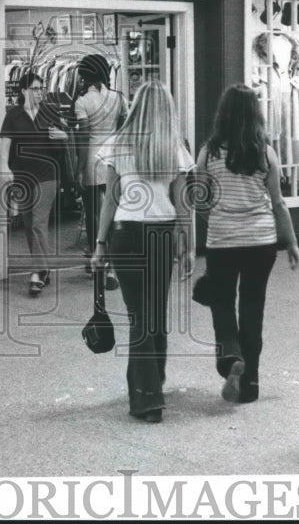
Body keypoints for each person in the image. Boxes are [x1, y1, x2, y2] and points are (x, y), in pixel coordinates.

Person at [90, 80, 195, 423]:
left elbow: (110, 200)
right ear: (168, 109)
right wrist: (188, 244)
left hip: (125, 234)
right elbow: (183, 204)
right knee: (155, 315)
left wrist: (100, 245)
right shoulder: (174, 146)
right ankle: (151, 390)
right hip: (161, 235)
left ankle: (147, 394)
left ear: (135, 106)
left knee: (139, 316)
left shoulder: (118, 144)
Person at [196, 84, 299, 404]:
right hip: (261, 242)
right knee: (253, 308)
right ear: (255, 114)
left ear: (223, 114)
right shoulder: (265, 152)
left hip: (223, 241)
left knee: (222, 302)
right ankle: (250, 385)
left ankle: (230, 354)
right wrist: (292, 242)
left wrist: (214, 219)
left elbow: (200, 201)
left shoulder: (209, 153)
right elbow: (279, 203)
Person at [0, 72, 68, 296]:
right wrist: (4, 167)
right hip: (23, 175)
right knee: (29, 224)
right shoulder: (13, 115)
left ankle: (36, 273)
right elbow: (5, 145)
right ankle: (44, 267)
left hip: (48, 174)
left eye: (41, 88)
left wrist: (63, 136)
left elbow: (64, 140)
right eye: (35, 88)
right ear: (23, 91)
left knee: (38, 222)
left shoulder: (51, 112)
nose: (39, 92)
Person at [74, 53, 126, 292]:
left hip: (93, 161)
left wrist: (79, 167)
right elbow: (123, 130)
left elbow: (83, 137)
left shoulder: (83, 102)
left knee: (95, 216)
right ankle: (114, 267)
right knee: (114, 214)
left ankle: (100, 265)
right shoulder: (119, 98)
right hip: (114, 160)